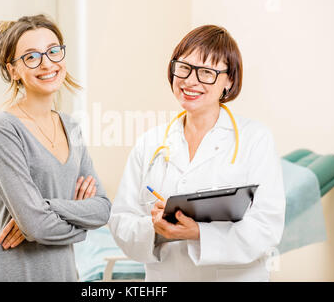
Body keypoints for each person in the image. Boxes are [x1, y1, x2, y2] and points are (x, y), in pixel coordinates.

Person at [108, 25, 285, 281]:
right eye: (184, 67)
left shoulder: (255, 139)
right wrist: (157, 229)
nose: (191, 81)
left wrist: (198, 234)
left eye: (207, 72)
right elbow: (121, 220)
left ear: (229, 80)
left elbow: (267, 228)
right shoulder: (151, 142)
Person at [0, 14, 111, 281]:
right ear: (13, 70)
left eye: (53, 51)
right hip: (15, 273)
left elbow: (102, 209)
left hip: (62, 273)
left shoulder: (71, 127)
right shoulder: (3, 130)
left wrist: (46, 206)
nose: (47, 63)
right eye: (31, 56)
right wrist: (81, 223)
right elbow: (37, 227)